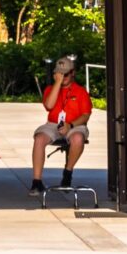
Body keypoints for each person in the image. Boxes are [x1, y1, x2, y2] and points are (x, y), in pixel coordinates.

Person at [30, 55, 92, 194]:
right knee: (39, 138)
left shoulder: (80, 91)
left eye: (66, 74)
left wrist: (70, 125)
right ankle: (37, 181)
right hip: (53, 124)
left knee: (77, 139)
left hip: (74, 124)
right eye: (59, 74)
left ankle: (68, 172)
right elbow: (49, 105)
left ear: (73, 73)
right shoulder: (50, 89)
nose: (63, 77)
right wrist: (57, 84)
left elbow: (86, 115)